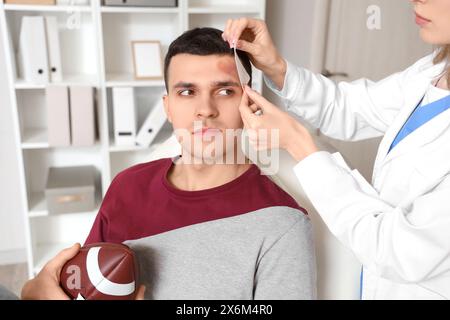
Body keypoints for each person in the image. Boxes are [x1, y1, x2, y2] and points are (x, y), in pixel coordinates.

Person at [21, 27, 316, 300]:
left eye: (225, 91)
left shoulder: (282, 223)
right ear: (168, 108)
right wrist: (35, 289)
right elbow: (76, 287)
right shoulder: (127, 185)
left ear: (250, 103)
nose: (205, 110)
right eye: (187, 92)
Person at [221, 0, 450, 300]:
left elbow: (395, 250)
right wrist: (277, 67)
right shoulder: (431, 72)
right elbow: (350, 107)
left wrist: (299, 145)